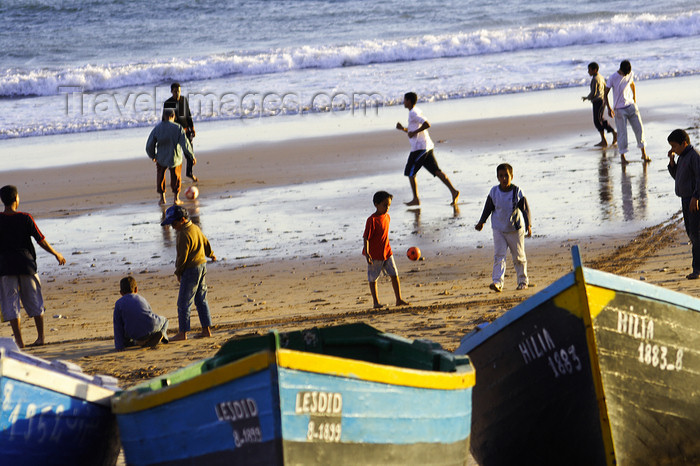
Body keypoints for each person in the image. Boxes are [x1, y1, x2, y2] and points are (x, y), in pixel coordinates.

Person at [0, 185, 66, 348]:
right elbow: (40, 239)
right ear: (16, 199)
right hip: (26, 265)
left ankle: (20, 343)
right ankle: (40, 337)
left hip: (6, 268)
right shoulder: (25, 218)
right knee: (35, 300)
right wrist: (55, 253)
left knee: (11, 304)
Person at [161, 205, 216, 340]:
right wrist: (211, 254)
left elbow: (182, 256)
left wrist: (178, 272)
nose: (173, 227)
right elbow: (205, 242)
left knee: (183, 302)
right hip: (202, 265)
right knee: (201, 299)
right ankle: (206, 330)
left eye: (174, 223)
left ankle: (182, 333)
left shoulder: (183, 234)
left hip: (191, 269)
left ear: (182, 220)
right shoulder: (195, 228)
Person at [475, 163, 532, 292]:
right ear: (497, 177)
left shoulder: (517, 192)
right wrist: (481, 222)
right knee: (499, 255)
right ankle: (497, 282)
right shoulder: (494, 192)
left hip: (515, 230)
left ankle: (522, 281)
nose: (504, 179)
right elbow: (488, 208)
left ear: (512, 176)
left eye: (506, 176)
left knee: (518, 256)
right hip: (498, 229)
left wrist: (528, 224)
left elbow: (525, 209)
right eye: (501, 176)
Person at [396, 92, 460, 206]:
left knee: (410, 172)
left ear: (409, 101)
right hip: (425, 146)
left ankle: (416, 199)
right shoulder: (414, 112)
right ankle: (454, 191)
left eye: (405, 100)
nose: (403, 102)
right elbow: (413, 132)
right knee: (436, 171)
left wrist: (413, 132)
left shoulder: (413, 113)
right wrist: (403, 129)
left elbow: (427, 124)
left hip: (420, 148)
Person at [362, 191, 410, 308]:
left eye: (389, 205)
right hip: (374, 254)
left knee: (394, 274)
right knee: (373, 278)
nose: (387, 208)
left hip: (387, 252)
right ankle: (376, 302)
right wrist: (368, 254)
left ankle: (398, 299)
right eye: (385, 205)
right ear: (376, 204)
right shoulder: (371, 220)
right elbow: (366, 237)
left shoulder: (387, 217)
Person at [667, 129, 700, 279]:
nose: (672, 149)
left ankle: (697, 269)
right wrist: (672, 163)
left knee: (696, 234)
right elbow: (678, 178)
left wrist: (696, 197)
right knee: (690, 233)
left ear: (684, 143)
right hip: (685, 200)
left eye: (674, 146)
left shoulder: (694, 156)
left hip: (694, 201)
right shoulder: (681, 157)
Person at [146, 109, 195, 206]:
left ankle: (162, 199)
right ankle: (176, 199)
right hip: (175, 157)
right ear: (173, 116)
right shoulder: (178, 128)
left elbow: (149, 145)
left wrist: (153, 156)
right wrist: (191, 156)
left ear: (163, 116)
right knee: (176, 177)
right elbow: (185, 144)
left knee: (160, 176)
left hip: (161, 157)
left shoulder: (157, 128)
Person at [604, 60, 650, 164]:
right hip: (619, 109)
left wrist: (634, 98)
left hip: (631, 105)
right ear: (620, 70)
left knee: (639, 129)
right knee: (622, 133)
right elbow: (605, 94)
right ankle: (623, 157)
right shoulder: (613, 78)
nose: (626, 75)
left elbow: (632, 84)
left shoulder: (630, 74)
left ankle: (644, 154)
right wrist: (609, 108)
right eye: (625, 73)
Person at [113, 276, 169, 351]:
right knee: (165, 320)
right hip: (151, 326)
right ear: (136, 289)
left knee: (126, 331)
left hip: (133, 332)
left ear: (121, 293)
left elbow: (118, 326)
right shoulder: (142, 298)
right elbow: (150, 312)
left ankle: (138, 342)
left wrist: (119, 346)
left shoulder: (119, 303)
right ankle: (162, 335)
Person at [163, 83, 198, 182]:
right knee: (174, 156)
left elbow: (188, 115)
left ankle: (189, 173)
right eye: (175, 91)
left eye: (179, 91)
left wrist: (192, 127)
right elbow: (164, 120)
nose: (177, 93)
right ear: (171, 92)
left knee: (189, 153)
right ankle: (175, 176)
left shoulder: (184, 100)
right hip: (174, 133)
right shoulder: (168, 103)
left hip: (186, 131)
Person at [582, 62, 617, 147]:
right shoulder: (601, 77)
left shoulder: (595, 79)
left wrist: (587, 98)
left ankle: (604, 139)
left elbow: (593, 93)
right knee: (600, 119)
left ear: (595, 70)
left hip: (598, 101)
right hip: (602, 100)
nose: (588, 72)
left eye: (589, 70)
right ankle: (613, 133)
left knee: (597, 121)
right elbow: (605, 89)